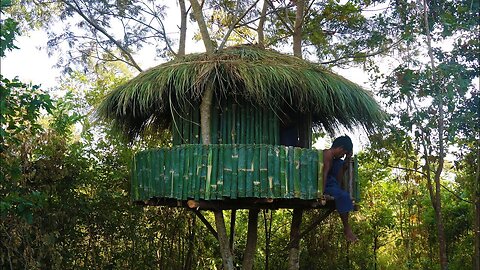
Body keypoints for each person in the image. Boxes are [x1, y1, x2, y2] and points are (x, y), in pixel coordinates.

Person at [323, 135, 358, 242]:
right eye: (343, 153)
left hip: (333, 185)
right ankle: (347, 229)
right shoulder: (327, 153)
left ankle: (347, 229)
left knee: (343, 195)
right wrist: (321, 193)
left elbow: (338, 178)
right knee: (344, 196)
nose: (343, 155)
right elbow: (324, 173)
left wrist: (347, 159)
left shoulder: (337, 160)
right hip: (325, 186)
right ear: (340, 148)